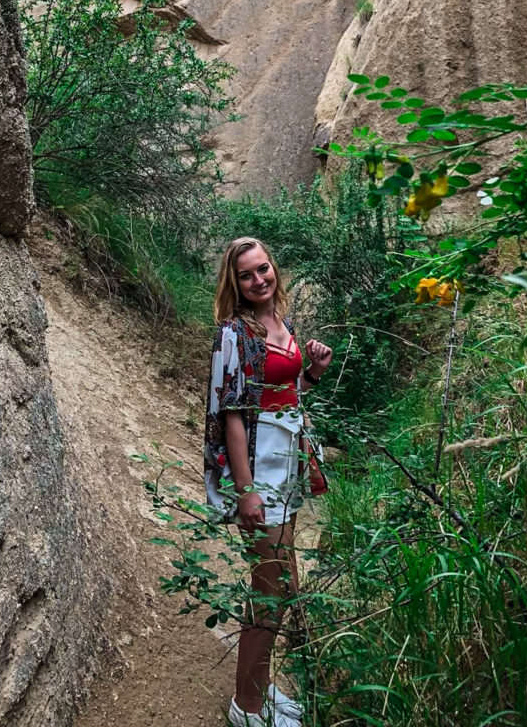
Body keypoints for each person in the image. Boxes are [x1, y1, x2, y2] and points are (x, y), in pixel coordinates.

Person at [204, 237, 333, 727]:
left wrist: (313, 373)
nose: (259, 280)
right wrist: (245, 490)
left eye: (263, 270)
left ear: (273, 269)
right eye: (246, 275)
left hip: (290, 461)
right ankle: (247, 708)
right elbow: (234, 414)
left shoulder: (282, 322)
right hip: (258, 468)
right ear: (233, 283)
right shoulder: (233, 333)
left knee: (279, 580)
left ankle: (259, 685)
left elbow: (282, 393)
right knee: (271, 590)